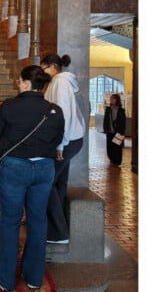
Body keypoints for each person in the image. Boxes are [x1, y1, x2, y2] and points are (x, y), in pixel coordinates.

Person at [0, 65, 65, 291]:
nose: (18, 83)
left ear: (25, 83)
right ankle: (34, 276)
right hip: (43, 168)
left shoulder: (10, 106)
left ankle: (6, 277)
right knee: (38, 220)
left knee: (11, 221)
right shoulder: (55, 110)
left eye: (20, 80)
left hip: (15, 167)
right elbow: (58, 138)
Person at [40, 53, 86, 244]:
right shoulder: (61, 82)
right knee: (58, 183)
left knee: (47, 182)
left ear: (52, 67)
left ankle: (59, 233)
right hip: (71, 139)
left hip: (66, 141)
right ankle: (57, 229)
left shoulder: (60, 82)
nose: (42, 72)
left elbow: (63, 115)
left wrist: (61, 144)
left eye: (43, 68)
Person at [103, 93, 126, 167]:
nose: (111, 100)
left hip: (118, 132)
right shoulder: (108, 109)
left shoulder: (121, 110)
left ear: (117, 100)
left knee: (117, 148)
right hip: (109, 132)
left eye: (113, 98)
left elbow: (123, 122)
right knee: (109, 147)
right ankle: (112, 159)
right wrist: (105, 129)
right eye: (111, 98)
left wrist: (122, 132)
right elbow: (105, 120)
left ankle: (117, 162)